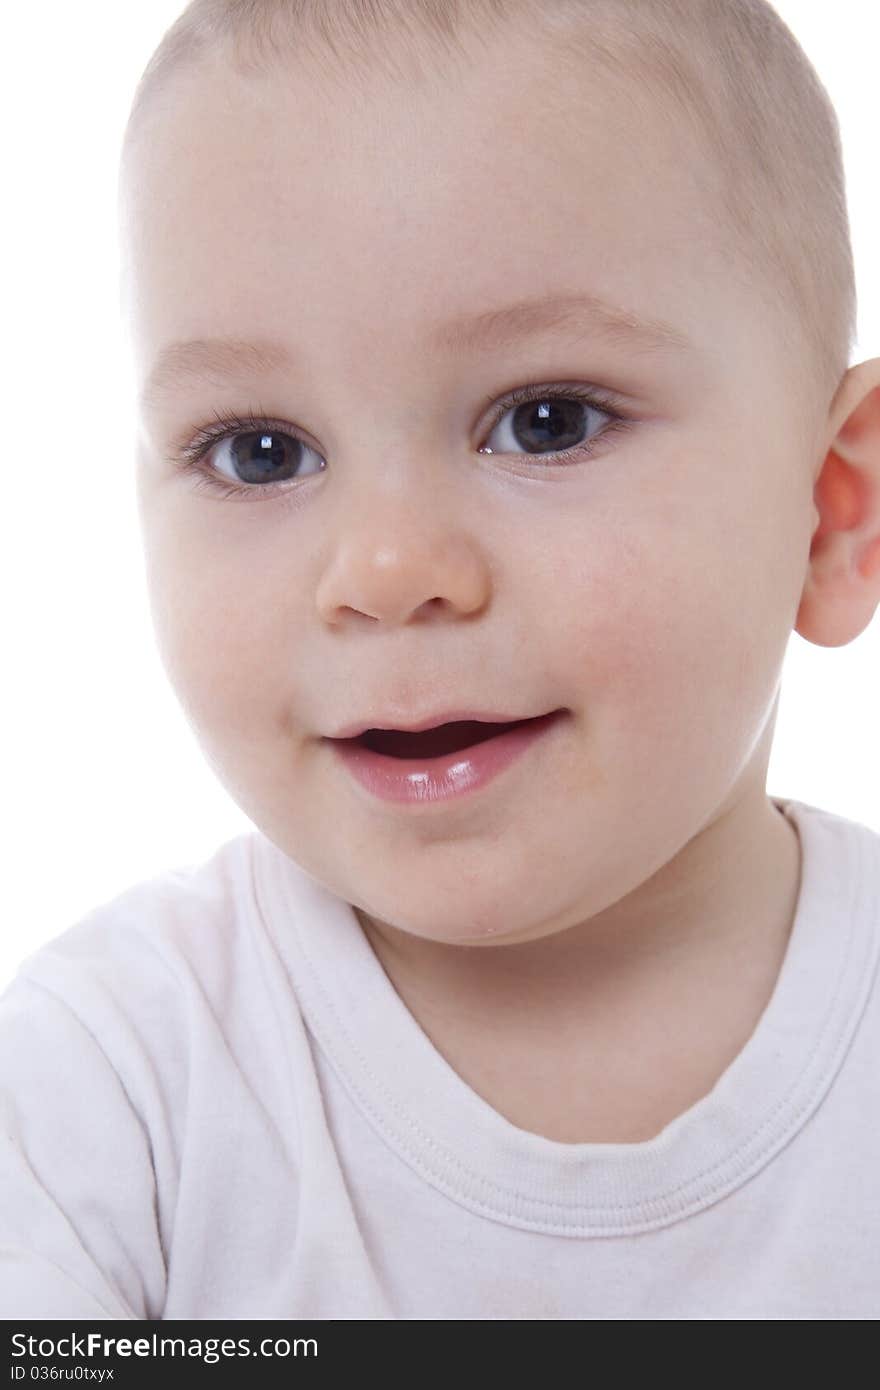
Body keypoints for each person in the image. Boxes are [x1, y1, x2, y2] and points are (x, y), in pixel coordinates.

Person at [2, 0, 879, 1320]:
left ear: (832, 512)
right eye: (260, 450)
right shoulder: (109, 1087)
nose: (388, 570)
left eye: (544, 420)